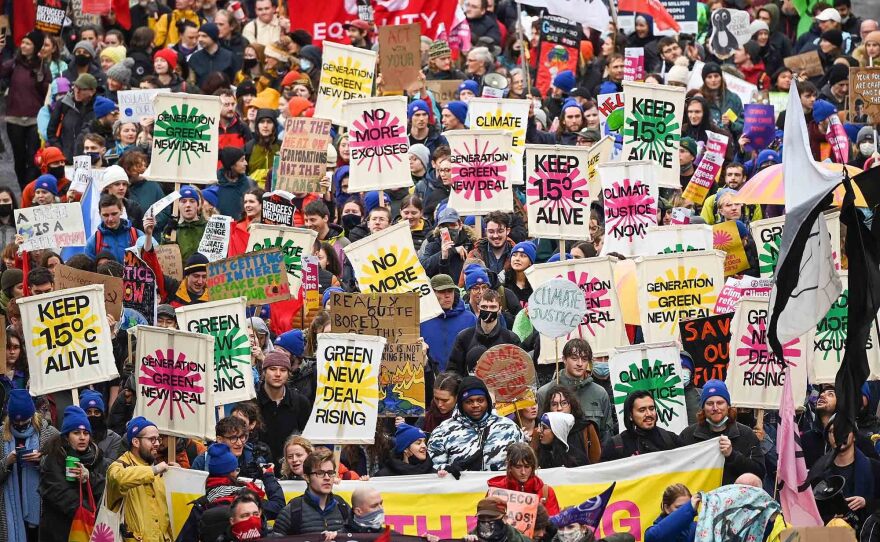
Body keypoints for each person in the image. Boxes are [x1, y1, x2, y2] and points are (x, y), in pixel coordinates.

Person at [177, 442, 285, 542]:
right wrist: (269, 476)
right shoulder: (246, 498)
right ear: (232, 473)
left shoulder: (202, 504)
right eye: (236, 469)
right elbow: (278, 506)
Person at [38, 406, 110, 542]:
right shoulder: (54, 457)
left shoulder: (98, 457)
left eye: (86, 433)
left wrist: (89, 478)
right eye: (76, 433)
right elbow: (59, 493)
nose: (82, 438)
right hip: (60, 530)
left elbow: (106, 488)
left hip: (90, 529)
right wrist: (88, 512)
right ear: (66, 436)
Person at [428, 376, 524, 474]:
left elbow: (524, 463)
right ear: (461, 404)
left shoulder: (510, 428)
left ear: (488, 401)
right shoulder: (442, 432)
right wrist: (447, 469)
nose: (475, 405)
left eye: (480, 400)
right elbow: (431, 468)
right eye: (469, 401)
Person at [679, 380, 765, 485]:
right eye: (710, 403)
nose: (715, 408)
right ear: (703, 407)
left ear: (728, 406)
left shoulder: (746, 434)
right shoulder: (688, 435)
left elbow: (759, 472)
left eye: (720, 403)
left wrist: (732, 455)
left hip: (736, 498)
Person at [1, 389, 59, 542]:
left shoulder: (49, 434)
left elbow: (59, 468)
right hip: (10, 508)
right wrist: (7, 462)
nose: (20, 424)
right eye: (16, 421)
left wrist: (42, 460)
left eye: (24, 420)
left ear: (32, 415)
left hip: (41, 508)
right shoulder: (1, 436)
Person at [105, 416, 174, 542]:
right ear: (136, 442)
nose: (158, 444)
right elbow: (118, 477)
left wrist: (178, 475)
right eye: (152, 439)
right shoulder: (119, 466)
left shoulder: (157, 468)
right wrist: (153, 471)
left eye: (158, 439)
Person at [0, 29, 51, 187]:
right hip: (14, 117)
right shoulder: (14, 63)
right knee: (19, 157)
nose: (23, 46)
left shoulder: (43, 66)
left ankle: (30, 188)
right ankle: (24, 189)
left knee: (33, 158)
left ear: (36, 47)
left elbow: (47, 92)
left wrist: (41, 79)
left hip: (34, 119)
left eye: (28, 43)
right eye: (23, 42)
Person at [537, 339, 614, 440]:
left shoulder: (600, 393)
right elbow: (541, 434)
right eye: (574, 358)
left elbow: (606, 434)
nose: (580, 363)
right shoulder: (545, 392)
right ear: (564, 359)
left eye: (584, 359)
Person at [271, 450, 352, 536]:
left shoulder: (342, 506)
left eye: (330, 473)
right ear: (307, 477)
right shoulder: (292, 511)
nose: (327, 478)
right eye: (320, 473)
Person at [255, 352, 311, 469]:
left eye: (283, 370)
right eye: (273, 369)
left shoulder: (300, 402)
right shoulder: (252, 402)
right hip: (259, 469)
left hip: (292, 470)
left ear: (289, 374)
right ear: (264, 372)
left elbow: (307, 440)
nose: (278, 374)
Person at [447, 289, 521, 376]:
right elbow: (453, 371)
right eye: (484, 307)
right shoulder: (464, 337)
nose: (488, 310)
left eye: (493, 307)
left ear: (499, 310)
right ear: (478, 308)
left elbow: (519, 371)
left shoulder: (511, 339)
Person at [600, 391, 682, 461]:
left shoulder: (671, 439)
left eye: (651, 408)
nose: (649, 414)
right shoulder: (615, 446)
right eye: (642, 410)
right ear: (630, 416)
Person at [420, 274, 477, 372]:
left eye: (450, 291)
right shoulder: (422, 319)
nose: (447, 296)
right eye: (442, 291)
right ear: (431, 293)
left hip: (460, 379)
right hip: (430, 380)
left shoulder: (469, 319)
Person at [488, 443, 560, 515]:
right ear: (509, 466)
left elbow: (554, 524)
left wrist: (541, 516)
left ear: (533, 467)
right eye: (518, 467)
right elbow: (481, 522)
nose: (523, 472)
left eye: (527, 466)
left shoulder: (546, 492)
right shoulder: (496, 491)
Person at [47, 74, 98, 162]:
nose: (77, 91)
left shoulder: (98, 107)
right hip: (65, 159)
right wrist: (60, 151)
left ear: (92, 91)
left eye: (82, 89)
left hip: (90, 160)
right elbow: (51, 132)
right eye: (76, 87)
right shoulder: (63, 104)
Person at [85, 194, 145, 262]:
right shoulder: (93, 242)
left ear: (121, 211)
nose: (110, 219)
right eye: (106, 215)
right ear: (99, 214)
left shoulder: (137, 235)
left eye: (114, 214)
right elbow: (88, 271)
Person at [161, 185, 207, 262]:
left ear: (197, 205)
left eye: (192, 201)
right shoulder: (172, 229)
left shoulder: (207, 226)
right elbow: (165, 256)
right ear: (178, 205)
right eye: (183, 201)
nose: (188, 205)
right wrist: (168, 233)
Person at [80, 389, 125, 462]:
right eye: (88, 412)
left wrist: (95, 456)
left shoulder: (114, 438)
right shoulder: (75, 437)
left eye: (97, 412)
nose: (93, 415)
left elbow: (112, 465)